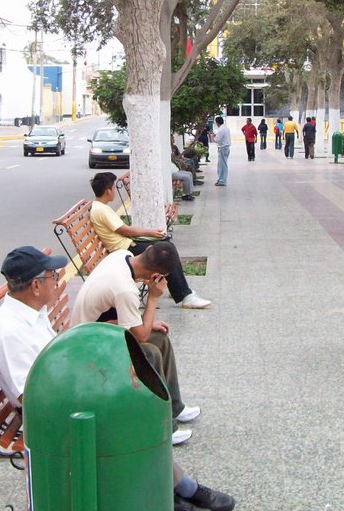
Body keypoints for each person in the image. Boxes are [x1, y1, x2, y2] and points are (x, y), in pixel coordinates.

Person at [0, 246, 234, 511]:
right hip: (54, 415)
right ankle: (179, 489)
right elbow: (32, 397)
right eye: (52, 277)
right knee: (131, 414)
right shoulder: (10, 330)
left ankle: (170, 490)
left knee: (134, 395)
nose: (57, 282)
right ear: (36, 286)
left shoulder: (31, 314)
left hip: (70, 390)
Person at [72, 242, 202, 443]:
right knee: (150, 353)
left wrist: (145, 323)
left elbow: (122, 320)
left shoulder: (122, 256)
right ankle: (163, 428)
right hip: (89, 345)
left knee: (160, 338)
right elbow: (140, 336)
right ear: (155, 276)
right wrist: (153, 298)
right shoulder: (125, 289)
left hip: (99, 330)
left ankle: (175, 407)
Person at [90, 172, 210, 309]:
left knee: (166, 245)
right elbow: (125, 230)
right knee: (166, 251)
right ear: (108, 191)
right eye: (113, 189)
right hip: (125, 250)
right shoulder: (102, 210)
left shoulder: (100, 208)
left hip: (127, 244)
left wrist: (150, 234)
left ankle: (179, 288)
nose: (115, 192)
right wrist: (150, 232)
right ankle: (185, 296)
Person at [213, 116, 231, 186]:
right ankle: (220, 179)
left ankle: (222, 180)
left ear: (217, 123)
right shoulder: (226, 128)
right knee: (221, 165)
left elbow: (216, 140)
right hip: (225, 148)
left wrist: (212, 136)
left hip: (223, 148)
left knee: (222, 165)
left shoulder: (221, 130)